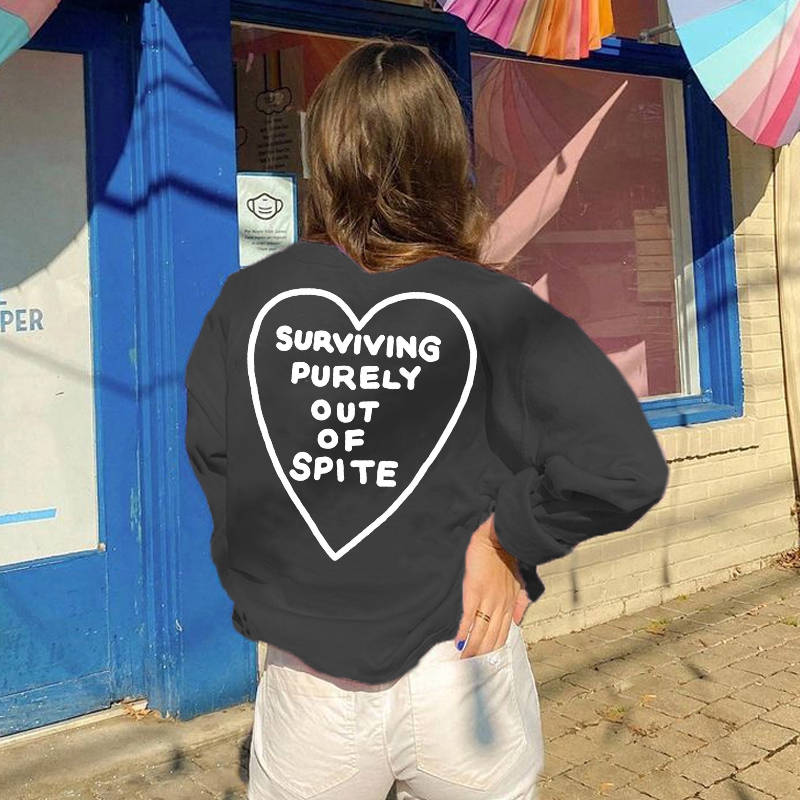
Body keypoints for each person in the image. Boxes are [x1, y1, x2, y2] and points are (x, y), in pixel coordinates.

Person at [185, 38, 670, 800]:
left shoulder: (251, 303)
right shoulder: (498, 309)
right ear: (446, 158)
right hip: (462, 668)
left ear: (326, 156)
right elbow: (623, 465)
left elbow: (218, 459)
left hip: (315, 674)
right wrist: (506, 538)